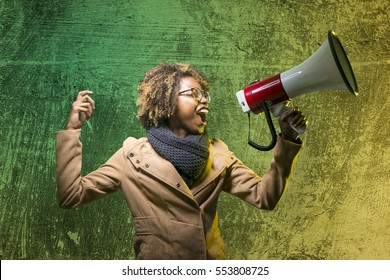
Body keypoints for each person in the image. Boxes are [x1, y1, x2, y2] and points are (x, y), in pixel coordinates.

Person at [56, 62, 307, 260]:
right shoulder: (131, 156)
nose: (204, 99)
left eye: (205, 93)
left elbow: (264, 197)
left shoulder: (218, 154)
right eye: (194, 93)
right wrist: (72, 130)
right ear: (166, 102)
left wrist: (287, 138)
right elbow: (72, 196)